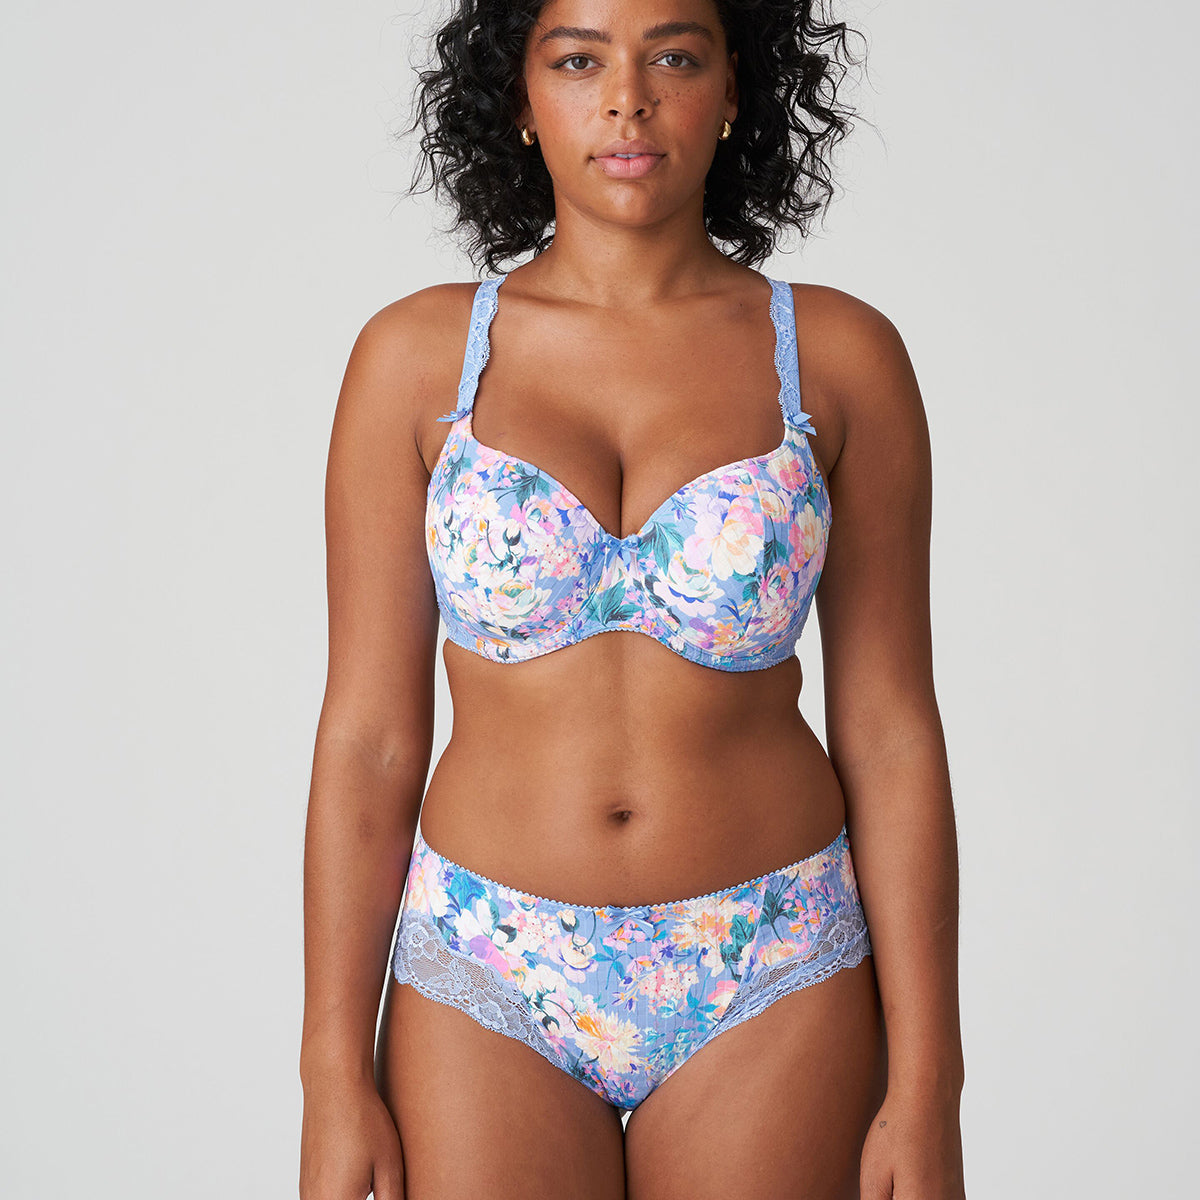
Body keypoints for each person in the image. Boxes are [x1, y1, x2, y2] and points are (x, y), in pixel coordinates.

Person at [299, 0, 966, 1197]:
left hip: (773, 960)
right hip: (486, 965)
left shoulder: (840, 358)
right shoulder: (413, 360)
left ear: (736, 88)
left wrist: (930, 1084)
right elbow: (370, 738)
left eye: (674, 54)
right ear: (517, 97)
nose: (628, 98)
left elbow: (891, 733)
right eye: (578, 59)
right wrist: (330, 1075)